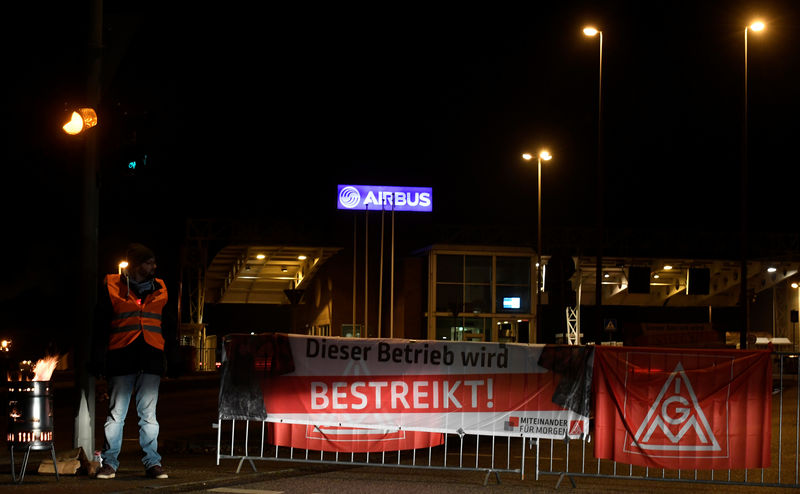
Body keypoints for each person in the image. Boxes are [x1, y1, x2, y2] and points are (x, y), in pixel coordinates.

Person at [91, 243, 177, 480]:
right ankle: (110, 464)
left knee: (147, 416)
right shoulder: (112, 287)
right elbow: (101, 326)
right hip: (121, 358)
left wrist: (171, 357)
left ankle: (152, 463)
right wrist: (99, 358)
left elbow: (168, 326)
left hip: (150, 359)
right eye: (149, 263)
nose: (154, 267)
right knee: (116, 415)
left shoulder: (160, 288)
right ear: (138, 265)